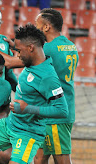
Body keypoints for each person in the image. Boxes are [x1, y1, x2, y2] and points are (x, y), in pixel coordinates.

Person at [0, 24, 69, 164]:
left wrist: (28, 108)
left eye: (19, 50)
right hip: (10, 124)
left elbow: (63, 111)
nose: (18, 54)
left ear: (31, 48)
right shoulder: (29, 62)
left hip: (28, 134)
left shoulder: (48, 77)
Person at [33, 8, 79, 164]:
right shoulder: (70, 46)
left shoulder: (47, 49)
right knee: (39, 158)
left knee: (62, 159)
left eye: (36, 23)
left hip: (55, 115)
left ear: (46, 27)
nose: (34, 27)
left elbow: (19, 62)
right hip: (54, 111)